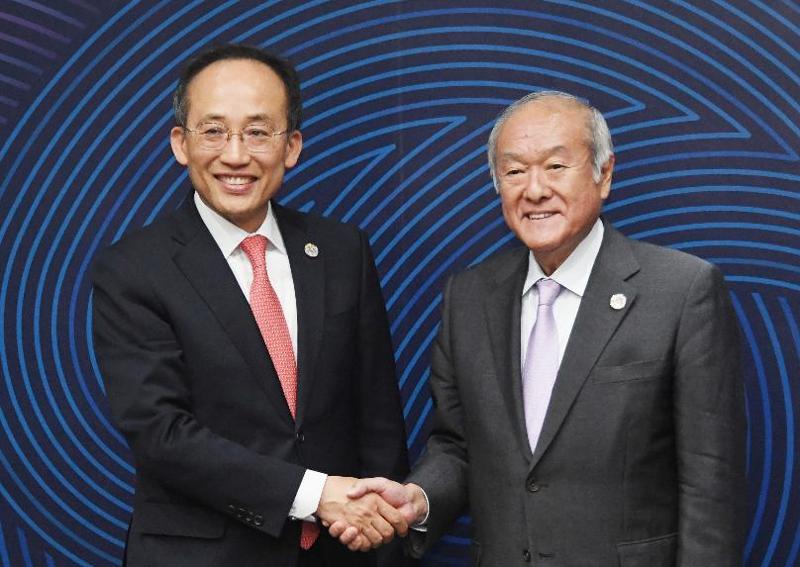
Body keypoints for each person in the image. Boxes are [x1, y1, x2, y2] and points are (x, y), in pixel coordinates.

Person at [334, 91, 746, 565]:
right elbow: (458, 445)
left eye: (555, 167)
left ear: (604, 173)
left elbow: (711, 483)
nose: (534, 190)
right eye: (514, 171)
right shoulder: (468, 297)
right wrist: (420, 499)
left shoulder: (681, 290)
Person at [91, 44, 411, 567]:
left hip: (341, 555)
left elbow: (378, 421)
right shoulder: (132, 269)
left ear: (292, 147)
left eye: (259, 132)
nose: (236, 155)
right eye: (213, 131)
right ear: (180, 144)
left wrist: (384, 538)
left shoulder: (341, 250)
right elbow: (162, 434)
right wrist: (313, 495)